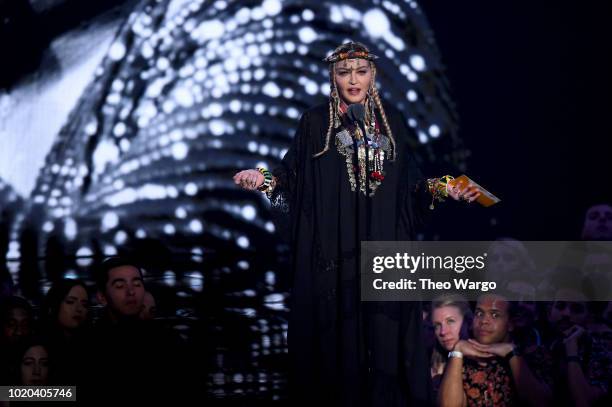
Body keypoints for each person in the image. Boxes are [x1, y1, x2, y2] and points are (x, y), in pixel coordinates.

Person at [233, 41, 480, 406]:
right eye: (344, 72)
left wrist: (446, 188)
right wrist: (264, 178)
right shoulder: (316, 122)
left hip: (382, 256)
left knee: (384, 354)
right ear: (333, 76)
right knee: (335, 356)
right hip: (335, 264)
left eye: (361, 71)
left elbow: (410, 188)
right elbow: (292, 177)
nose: (353, 80)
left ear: (372, 75)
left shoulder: (391, 124)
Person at [84, 257, 188, 403]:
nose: (131, 291)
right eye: (120, 286)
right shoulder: (85, 343)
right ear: (102, 297)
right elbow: (55, 393)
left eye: (137, 284)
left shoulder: (166, 340)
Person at [438, 294, 552, 407]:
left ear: (510, 324)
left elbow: (541, 402)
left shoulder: (532, 355)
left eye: (494, 315)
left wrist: (511, 353)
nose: (484, 321)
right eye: (479, 313)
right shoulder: (462, 360)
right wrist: (457, 350)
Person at [40, 278, 91, 385]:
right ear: (54, 305)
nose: (79, 309)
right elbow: (9, 392)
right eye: (70, 302)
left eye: (84, 304)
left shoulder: (92, 344)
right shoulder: (39, 345)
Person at [430, 295, 472, 398]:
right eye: (437, 325)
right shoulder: (431, 364)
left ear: (467, 322)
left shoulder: (483, 364)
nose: (443, 332)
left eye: (450, 321)